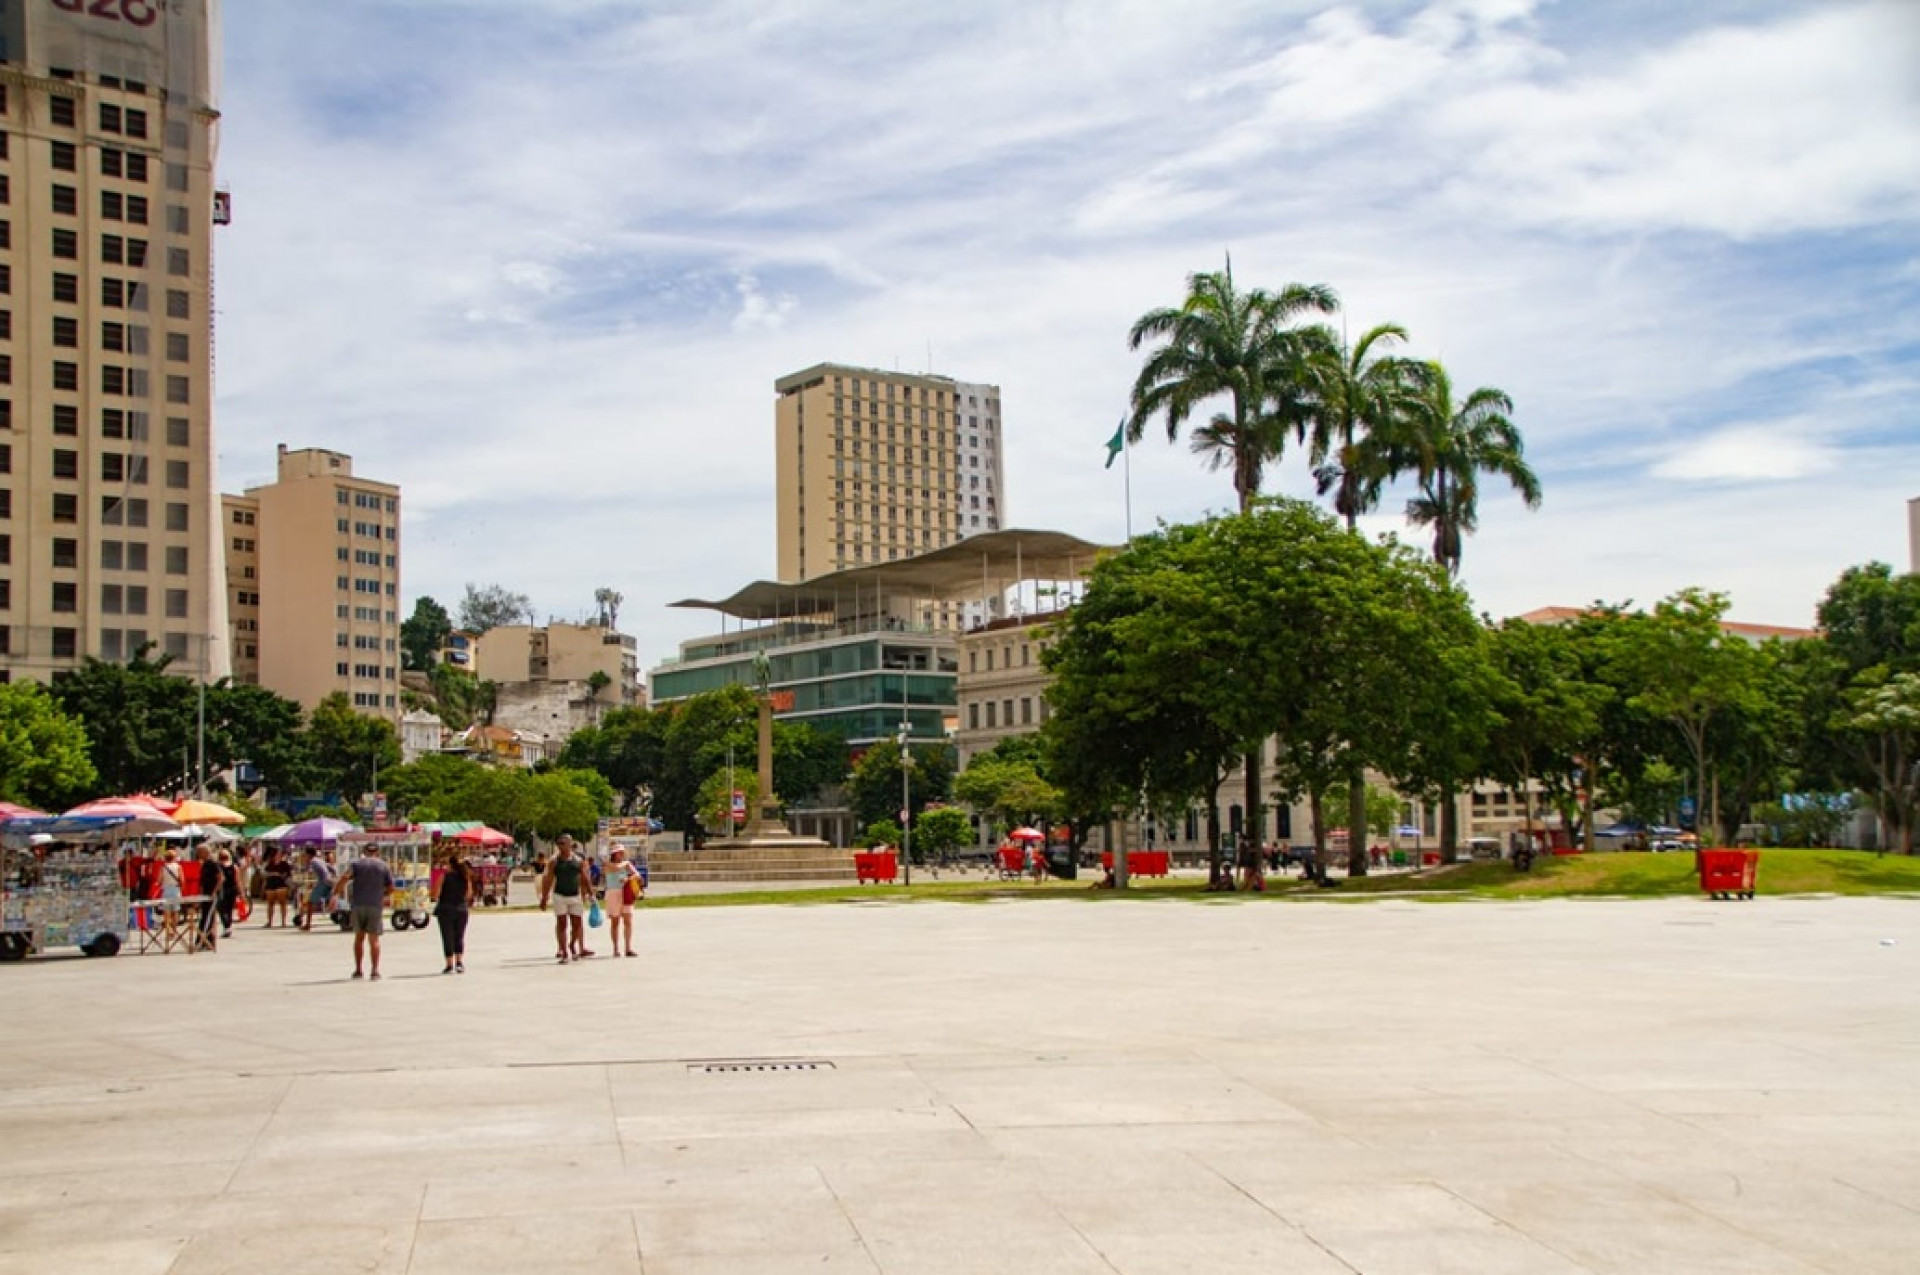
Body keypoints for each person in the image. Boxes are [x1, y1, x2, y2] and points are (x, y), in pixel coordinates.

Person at [332, 846, 395, 980]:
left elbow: (345, 877)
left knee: (359, 938)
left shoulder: (356, 864)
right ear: (377, 852)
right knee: (374, 940)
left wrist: (335, 893)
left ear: (364, 852)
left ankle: (358, 970)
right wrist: (381, 894)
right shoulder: (383, 866)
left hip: (358, 905)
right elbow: (391, 888)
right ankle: (375, 971)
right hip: (375, 905)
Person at [539, 836, 592, 963]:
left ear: (570, 844)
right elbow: (548, 880)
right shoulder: (554, 862)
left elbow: (585, 878)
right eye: (558, 843)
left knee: (577, 924)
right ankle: (563, 952)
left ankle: (572, 944)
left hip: (575, 895)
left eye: (563, 843)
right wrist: (544, 898)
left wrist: (591, 894)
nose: (560, 846)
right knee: (562, 923)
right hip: (560, 896)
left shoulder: (578, 860)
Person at [430, 846, 474, 974]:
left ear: (450, 865)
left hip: (445, 909)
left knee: (447, 936)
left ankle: (449, 964)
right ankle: (459, 962)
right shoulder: (465, 878)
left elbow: (435, 894)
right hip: (461, 909)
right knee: (459, 936)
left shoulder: (443, 877)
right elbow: (468, 895)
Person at [601, 846, 640, 958]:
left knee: (628, 920)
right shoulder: (608, 864)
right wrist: (627, 863)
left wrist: (628, 878)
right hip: (613, 893)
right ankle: (616, 948)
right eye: (619, 853)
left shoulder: (626, 863)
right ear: (614, 854)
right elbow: (616, 868)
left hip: (625, 892)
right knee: (615, 921)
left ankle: (628, 948)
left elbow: (636, 874)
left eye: (622, 852)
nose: (621, 854)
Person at [300, 849, 334, 931]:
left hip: (323, 882)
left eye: (305, 855)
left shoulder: (313, 862)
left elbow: (322, 871)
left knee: (310, 902)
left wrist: (325, 878)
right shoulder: (319, 860)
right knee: (330, 899)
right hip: (328, 881)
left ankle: (308, 924)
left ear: (309, 855)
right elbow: (330, 867)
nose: (304, 857)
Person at [214, 848, 243, 938]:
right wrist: (241, 893)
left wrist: (214, 890)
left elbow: (218, 879)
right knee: (229, 910)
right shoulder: (234, 867)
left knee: (221, 909)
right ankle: (228, 928)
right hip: (232, 889)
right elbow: (238, 881)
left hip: (222, 890)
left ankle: (227, 927)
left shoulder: (218, 866)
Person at [262, 846, 292, 928]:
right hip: (271, 884)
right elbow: (264, 874)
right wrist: (272, 874)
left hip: (281, 884)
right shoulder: (269, 864)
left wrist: (279, 875)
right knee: (270, 904)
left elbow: (288, 875)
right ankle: (270, 921)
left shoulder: (285, 864)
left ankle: (283, 921)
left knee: (282, 903)